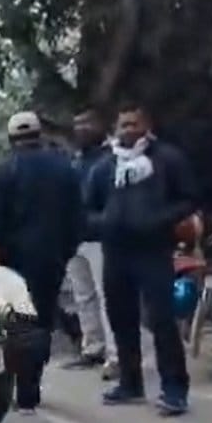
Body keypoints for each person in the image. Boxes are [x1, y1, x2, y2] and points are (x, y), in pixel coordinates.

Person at [82, 102, 195, 416]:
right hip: (115, 252)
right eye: (123, 125)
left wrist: (159, 220)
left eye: (134, 123)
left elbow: (188, 198)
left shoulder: (168, 159)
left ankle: (174, 388)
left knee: (161, 320)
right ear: (115, 129)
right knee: (121, 319)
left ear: (147, 125)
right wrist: (103, 223)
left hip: (154, 251)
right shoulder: (104, 167)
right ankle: (130, 384)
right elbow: (86, 209)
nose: (128, 130)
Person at [0, 111, 83, 414]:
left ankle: (21, 388)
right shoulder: (65, 170)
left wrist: (2, 259)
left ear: (12, 139)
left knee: (17, 324)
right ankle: (32, 387)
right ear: (40, 135)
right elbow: (77, 218)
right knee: (42, 322)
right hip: (51, 260)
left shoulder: (2, 174)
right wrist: (64, 253)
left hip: (15, 262)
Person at [63, 108, 119, 378]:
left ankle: (116, 354)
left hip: (100, 239)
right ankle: (93, 347)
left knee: (108, 297)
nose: (81, 129)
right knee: (83, 297)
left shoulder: (110, 160)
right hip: (76, 239)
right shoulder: (76, 162)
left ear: (100, 127)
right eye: (77, 124)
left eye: (87, 123)